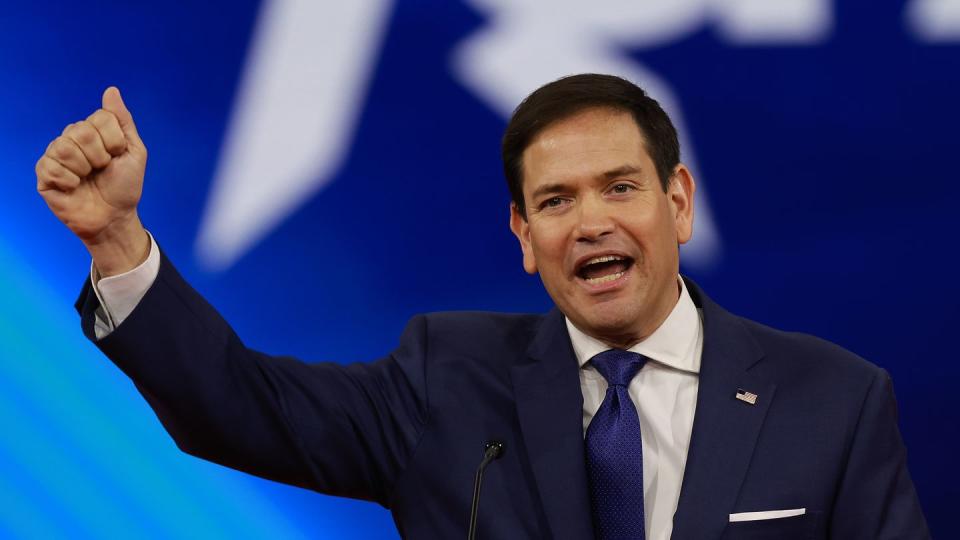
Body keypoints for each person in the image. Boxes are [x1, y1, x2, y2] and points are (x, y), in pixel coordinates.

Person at [36, 74, 929, 539]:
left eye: (620, 187)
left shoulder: (832, 400)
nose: (590, 223)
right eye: (556, 201)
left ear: (679, 202)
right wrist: (116, 239)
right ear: (523, 234)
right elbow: (238, 407)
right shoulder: (447, 379)